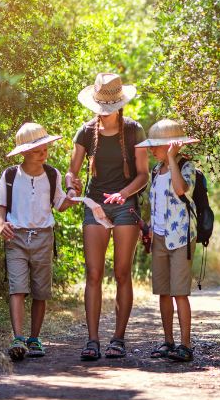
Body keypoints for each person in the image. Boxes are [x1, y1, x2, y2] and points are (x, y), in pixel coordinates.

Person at [67, 73, 148, 361]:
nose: (106, 112)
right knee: (93, 273)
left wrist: (124, 195)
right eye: (102, 106)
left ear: (120, 104)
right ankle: (92, 341)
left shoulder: (134, 130)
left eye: (110, 106)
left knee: (122, 273)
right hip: (95, 205)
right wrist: (70, 185)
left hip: (125, 206)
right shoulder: (86, 132)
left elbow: (142, 175)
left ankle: (118, 338)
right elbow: (72, 171)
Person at [0, 122, 77, 361]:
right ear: (24, 153)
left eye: (45, 149)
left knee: (41, 291)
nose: (44, 153)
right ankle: (18, 338)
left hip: (43, 237)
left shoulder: (52, 174)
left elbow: (60, 205)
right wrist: (1, 224)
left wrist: (72, 197)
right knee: (17, 288)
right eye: (38, 150)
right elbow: (0, 206)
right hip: (16, 237)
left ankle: (34, 338)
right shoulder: (10, 175)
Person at [136, 119, 201, 363]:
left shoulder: (186, 167)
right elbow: (156, 205)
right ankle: (168, 341)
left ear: (171, 146)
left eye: (157, 146)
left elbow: (181, 190)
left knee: (179, 293)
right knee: (163, 292)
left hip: (181, 237)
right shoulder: (155, 171)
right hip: (160, 237)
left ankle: (185, 344)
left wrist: (173, 159)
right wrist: (151, 230)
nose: (152, 150)